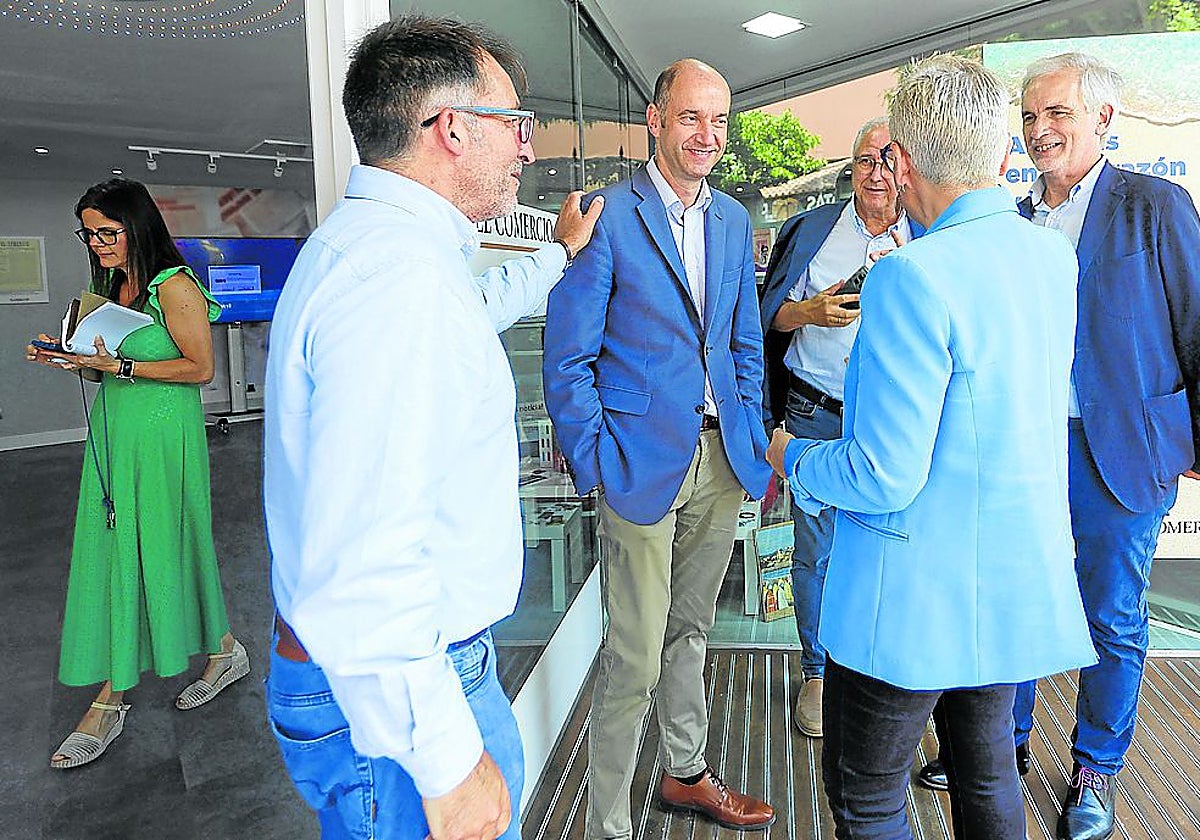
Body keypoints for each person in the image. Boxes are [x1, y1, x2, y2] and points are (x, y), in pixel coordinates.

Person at [261, 15, 602, 840]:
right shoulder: (394, 280)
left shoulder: (390, 256)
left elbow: (472, 314)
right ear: (450, 128)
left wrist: (557, 257)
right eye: (514, 123)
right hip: (404, 694)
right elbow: (364, 560)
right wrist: (445, 763)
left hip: (388, 677)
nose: (527, 147)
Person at [766, 54, 1096, 839]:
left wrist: (791, 457)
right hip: (1008, 585)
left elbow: (882, 473)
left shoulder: (910, 277)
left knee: (868, 798)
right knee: (986, 779)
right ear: (1001, 154)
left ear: (904, 163)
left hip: (909, 603)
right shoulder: (1050, 255)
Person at [543, 58, 775, 838]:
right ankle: (608, 824)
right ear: (654, 119)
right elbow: (567, 357)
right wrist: (596, 460)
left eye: (718, 120)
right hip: (639, 466)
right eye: (690, 117)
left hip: (720, 460)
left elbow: (743, 341)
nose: (706, 135)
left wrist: (748, 436)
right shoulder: (608, 214)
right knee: (635, 658)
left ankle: (685, 773)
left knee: (692, 633)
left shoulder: (734, 220)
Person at [1011, 52, 1200, 840]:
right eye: (1029, 117)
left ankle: (1098, 770)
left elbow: (1196, 322)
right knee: (1015, 600)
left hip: (1120, 450)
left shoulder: (1154, 205)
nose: (1040, 130)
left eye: (1057, 113)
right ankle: (1001, 745)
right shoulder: (1011, 218)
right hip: (1024, 449)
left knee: (1114, 617)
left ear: (1103, 120)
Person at [26, 178, 249, 770]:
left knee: (162, 545)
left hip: (163, 436)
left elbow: (200, 368)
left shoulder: (172, 285)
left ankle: (110, 698)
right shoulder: (109, 286)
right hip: (116, 430)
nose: (96, 243)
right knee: (116, 550)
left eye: (107, 231)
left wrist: (120, 362)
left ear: (137, 226)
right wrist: (74, 360)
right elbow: (107, 370)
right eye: (89, 233)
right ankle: (223, 649)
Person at [758, 116, 912, 738]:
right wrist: (810, 310)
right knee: (816, 553)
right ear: (851, 167)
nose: (876, 173)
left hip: (887, 419)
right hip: (814, 411)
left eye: (887, 159)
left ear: (906, 169)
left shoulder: (924, 236)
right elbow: (766, 318)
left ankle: (883, 673)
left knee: (890, 548)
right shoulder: (813, 230)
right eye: (865, 160)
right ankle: (817, 673)